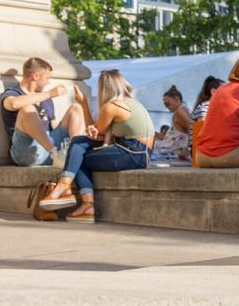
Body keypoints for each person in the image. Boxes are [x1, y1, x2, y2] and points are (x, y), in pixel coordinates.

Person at [39, 69, 153, 221]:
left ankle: (72, 192)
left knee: (78, 154)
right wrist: (85, 109)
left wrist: (84, 104)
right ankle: (79, 199)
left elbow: (94, 133)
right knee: (78, 146)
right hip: (140, 153)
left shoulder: (112, 106)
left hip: (132, 152)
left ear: (104, 89)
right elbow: (98, 136)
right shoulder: (132, 103)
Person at [0, 57, 87, 166]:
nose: (48, 82)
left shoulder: (45, 98)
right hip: (27, 151)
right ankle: (56, 154)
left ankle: (75, 153)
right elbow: (13, 104)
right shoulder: (13, 93)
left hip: (49, 144)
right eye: (47, 78)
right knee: (27, 109)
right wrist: (49, 94)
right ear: (35, 76)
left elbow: (54, 126)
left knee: (76, 108)